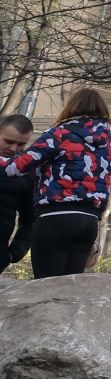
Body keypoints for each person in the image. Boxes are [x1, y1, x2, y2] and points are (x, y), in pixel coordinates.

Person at [4, 88, 111, 279]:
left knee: (47, 285)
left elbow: (18, 166)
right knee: (68, 287)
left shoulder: (61, 133)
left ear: (70, 107)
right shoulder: (107, 141)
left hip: (56, 217)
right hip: (89, 221)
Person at [0, 114, 34, 275]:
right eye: (8, 141)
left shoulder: (25, 173)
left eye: (21, 144)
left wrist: (14, 253)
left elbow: (31, 219)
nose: (13, 148)